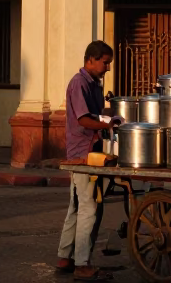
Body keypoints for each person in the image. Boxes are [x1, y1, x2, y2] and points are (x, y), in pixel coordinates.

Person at [56, 40, 119, 281]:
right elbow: (83, 119)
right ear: (91, 59)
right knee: (90, 207)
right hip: (83, 153)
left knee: (76, 206)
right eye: (106, 63)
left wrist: (111, 116)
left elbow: (96, 114)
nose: (108, 68)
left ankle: (65, 257)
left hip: (91, 149)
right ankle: (82, 264)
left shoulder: (95, 84)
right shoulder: (79, 83)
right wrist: (108, 124)